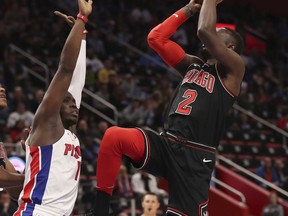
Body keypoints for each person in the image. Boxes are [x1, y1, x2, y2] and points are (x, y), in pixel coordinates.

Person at [92, 0, 245, 215]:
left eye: (220, 33)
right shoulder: (191, 64)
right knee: (114, 136)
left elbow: (204, 31)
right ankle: (99, 210)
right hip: (167, 143)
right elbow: (155, 38)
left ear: (230, 48)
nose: (214, 32)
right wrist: (190, 9)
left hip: (195, 156)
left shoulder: (234, 69)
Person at [13, 0, 93, 215]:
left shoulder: (69, 133)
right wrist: (81, 19)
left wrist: (82, 37)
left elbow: (78, 83)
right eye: (66, 103)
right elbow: (66, 70)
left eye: (74, 103)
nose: (74, 106)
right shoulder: (48, 124)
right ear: (54, 107)